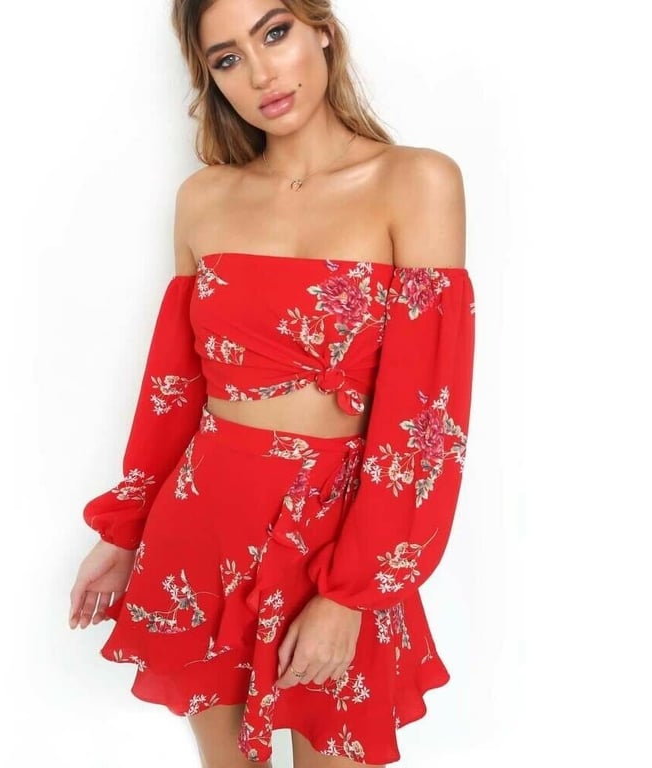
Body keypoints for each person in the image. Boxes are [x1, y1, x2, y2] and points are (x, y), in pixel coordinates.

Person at [68, 1, 476, 766]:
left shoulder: (416, 182)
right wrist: (122, 533)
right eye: (226, 59)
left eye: (275, 33)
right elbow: (173, 389)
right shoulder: (204, 198)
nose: (260, 75)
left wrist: (349, 595)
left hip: (341, 534)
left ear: (322, 30)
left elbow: (426, 419)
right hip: (205, 523)